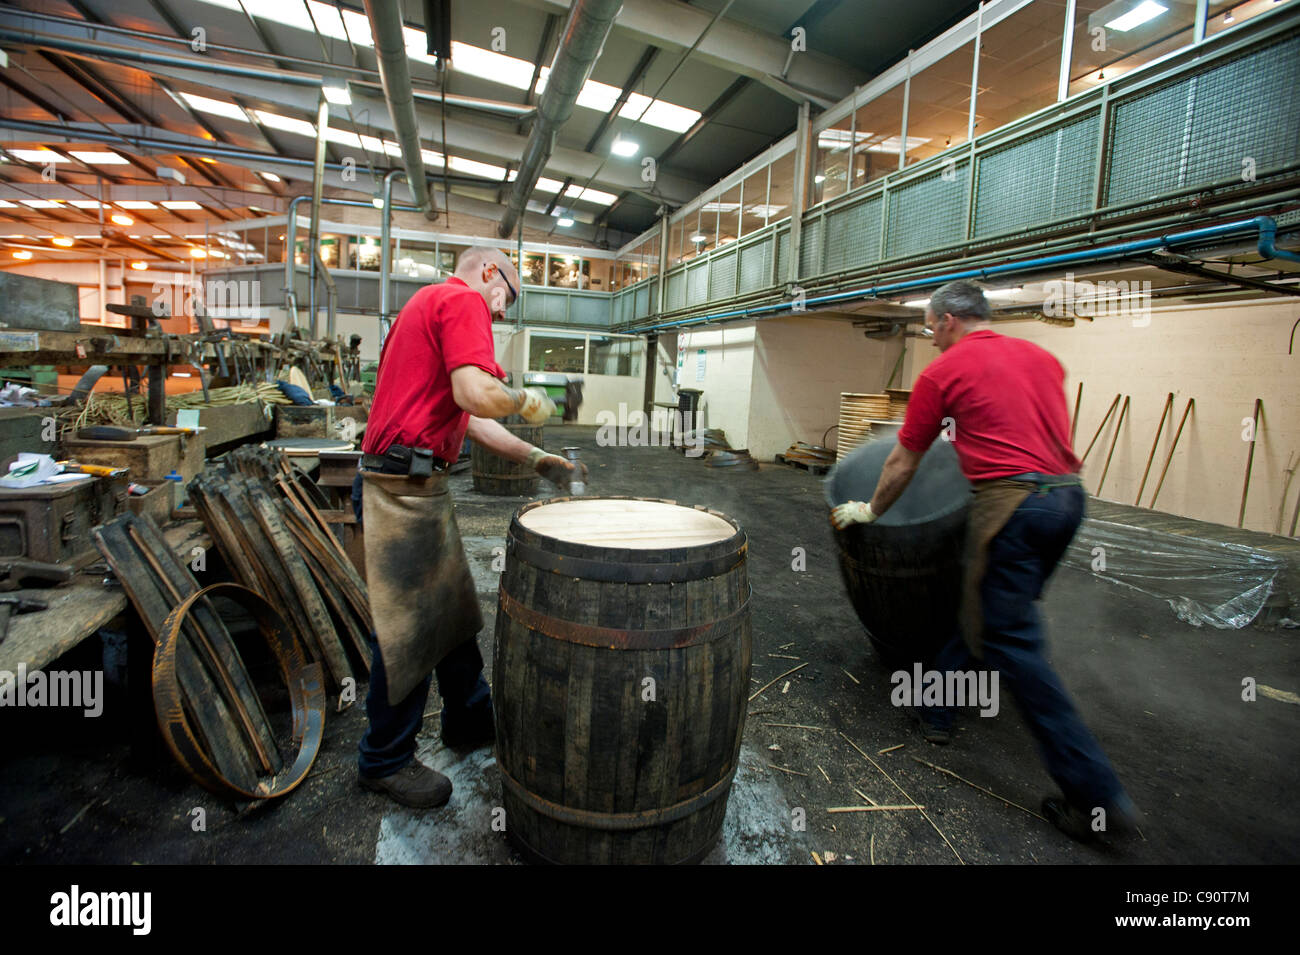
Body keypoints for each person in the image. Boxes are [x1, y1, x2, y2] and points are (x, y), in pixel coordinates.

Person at [830, 279, 1138, 842]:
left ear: (948, 320)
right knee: (993, 613)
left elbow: (902, 462)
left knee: (1013, 641)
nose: (931, 337)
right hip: (1067, 499)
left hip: (1013, 507)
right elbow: (1018, 429)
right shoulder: (1040, 357)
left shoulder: (942, 372)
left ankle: (1097, 798)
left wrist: (869, 511)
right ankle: (941, 705)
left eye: (929, 326)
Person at [351, 246, 588, 809]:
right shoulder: (461, 300)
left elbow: (470, 416)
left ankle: (466, 716)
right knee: (405, 633)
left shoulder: (432, 306)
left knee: (454, 616)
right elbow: (476, 393)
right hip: (398, 489)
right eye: (508, 294)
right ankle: (383, 761)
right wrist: (537, 399)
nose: (502, 312)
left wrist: (537, 459)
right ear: (489, 272)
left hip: (419, 487)